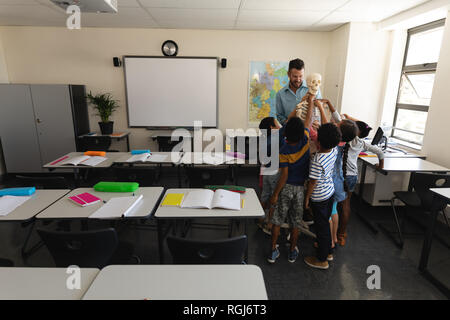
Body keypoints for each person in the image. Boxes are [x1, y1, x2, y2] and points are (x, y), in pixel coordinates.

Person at [267, 94, 314, 264]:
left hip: (286, 187)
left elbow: (284, 175)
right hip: (300, 189)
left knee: (277, 220)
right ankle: (293, 250)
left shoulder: (284, 150)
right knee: (295, 223)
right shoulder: (306, 140)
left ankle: (273, 250)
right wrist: (311, 101)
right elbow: (308, 120)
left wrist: (275, 194)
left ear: (286, 133)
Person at [336, 116, 385, 246]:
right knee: (346, 205)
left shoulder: (338, 140)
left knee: (334, 206)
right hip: (351, 176)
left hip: (338, 175)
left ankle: (332, 232)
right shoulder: (360, 142)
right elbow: (380, 152)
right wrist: (380, 166)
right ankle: (342, 234)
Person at [304, 123, 341, 269]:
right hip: (329, 193)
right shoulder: (335, 150)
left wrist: (307, 198)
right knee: (325, 222)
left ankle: (321, 260)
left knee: (322, 227)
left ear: (318, 142)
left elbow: (313, 182)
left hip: (319, 197)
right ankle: (329, 251)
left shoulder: (317, 160)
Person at [275, 58, 322, 125]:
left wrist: (317, 122)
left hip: (311, 132)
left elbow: (319, 110)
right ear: (288, 74)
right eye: (295, 76)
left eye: (301, 76)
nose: (298, 80)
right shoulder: (280, 94)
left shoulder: (314, 89)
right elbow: (280, 117)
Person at [257, 116, 282, 235]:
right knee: (273, 199)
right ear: (271, 127)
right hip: (273, 173)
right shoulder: (275, 138)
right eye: (277, 123)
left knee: (264, 196)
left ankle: (260, 219)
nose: (279, 125)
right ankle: (270, 225)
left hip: (266, 171)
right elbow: (285, 128)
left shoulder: (265, 139)